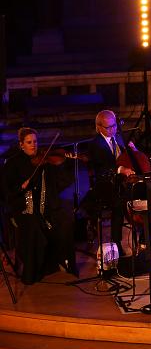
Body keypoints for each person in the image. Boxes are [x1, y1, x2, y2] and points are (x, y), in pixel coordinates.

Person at [2, 128, 76, 284]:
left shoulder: (44, 160)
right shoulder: (13, 164)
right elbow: (6, 191)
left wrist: (66, 164)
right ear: (21, 144)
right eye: (29, 142)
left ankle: (62, 262)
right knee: (33, 225)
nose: (33, 145)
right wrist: (21, 188)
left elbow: (60, 183)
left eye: (35, 141)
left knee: (65, 221)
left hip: (46, 206)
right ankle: (34, 271)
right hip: (23, 209)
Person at [85, 110, 137, 258]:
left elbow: (128, 159)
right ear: (99, 127)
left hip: (123, 182)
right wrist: (121, 169)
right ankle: (116, 242)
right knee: (119, 202)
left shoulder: (119, 138)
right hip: (104, 184)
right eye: (108, 127)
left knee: (143, 193)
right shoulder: (95, 144)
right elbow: (103, 167)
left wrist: (133, 151)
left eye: (114, 126)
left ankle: (146, 237)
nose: (112, 129)